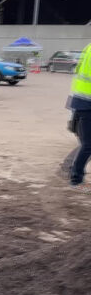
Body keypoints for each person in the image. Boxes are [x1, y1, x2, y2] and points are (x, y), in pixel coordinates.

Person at [67, 42, 91, 191]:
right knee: (88, 144)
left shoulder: (89, 47)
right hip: (87, 103)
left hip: (81, 100)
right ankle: (76, 179)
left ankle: (76, 174)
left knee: (87, 143)